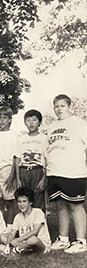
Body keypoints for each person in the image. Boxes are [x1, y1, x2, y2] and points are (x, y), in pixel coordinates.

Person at [46, 94, 87, 254]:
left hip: (74, 172)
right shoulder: (52, 126)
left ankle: (81, 241)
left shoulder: (79, 123)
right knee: (60, 205)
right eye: (56, 106)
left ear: (70, 107)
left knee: (75, 205)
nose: (58, 109)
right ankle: (63, 239)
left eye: (62, 106)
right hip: (55, 172)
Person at [0, 187, 51, 255]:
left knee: (33, 239)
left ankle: (15, 249)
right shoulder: (18, 216)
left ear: (30, 202)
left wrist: (19, 239)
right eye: (19, 202)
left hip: (40, 243)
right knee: (3, 236)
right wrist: (8, 244)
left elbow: (35, 231)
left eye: (24, 201)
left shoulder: (38, 212)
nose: (21, 205)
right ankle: (14, 248)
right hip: (24, 242)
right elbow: (12, 233)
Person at [15, 109, 48, 212]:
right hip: (24, 171)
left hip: (37, 171)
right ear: (25, 123)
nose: (31, 123)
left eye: (34, 120)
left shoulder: (44, 138)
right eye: (28, 120)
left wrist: (44, 178)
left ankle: (40, 225)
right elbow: (18, 159)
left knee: (38, 199)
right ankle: (25, 226)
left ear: (39, 122)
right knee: (24, 199)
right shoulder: (21, 139)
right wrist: (18, 178)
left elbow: (47, 159)